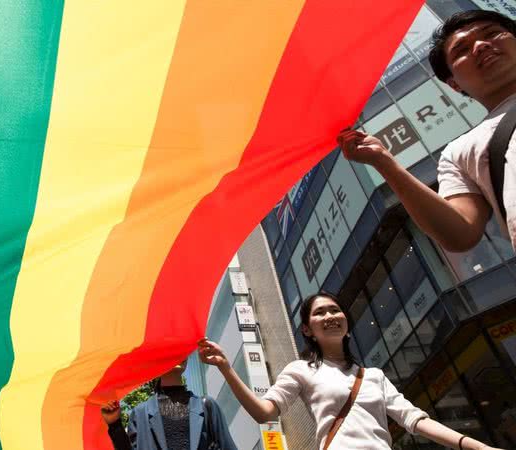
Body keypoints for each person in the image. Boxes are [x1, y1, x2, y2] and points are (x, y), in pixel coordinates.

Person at [198, 292, 503, 450]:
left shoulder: (373, 377)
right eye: (320, 313)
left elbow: (414, 421)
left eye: (335, 310)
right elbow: (265, 413)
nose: (330, 315)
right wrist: (226, 368)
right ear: (308, 329)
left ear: (345, 322)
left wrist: (469, 443)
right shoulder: (302, 370)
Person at [338, 10, 516, 252]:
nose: (481, 45)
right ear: (453, 84)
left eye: (492, 33)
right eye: (462, 50)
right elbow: (460, 234)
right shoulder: (459, 153)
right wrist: (384, 163)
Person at [101, 359, 237, 450]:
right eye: (172, 350)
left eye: (183, 350)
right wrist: (115, 425)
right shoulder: (140, 414)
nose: (179, 355)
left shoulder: (207, 406)